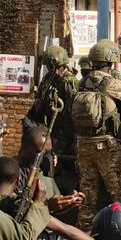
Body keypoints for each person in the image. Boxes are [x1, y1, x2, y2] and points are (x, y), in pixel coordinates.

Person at [72, 39, 121, 231]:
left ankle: (83, 236)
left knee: (88, 194)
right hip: (106, 146)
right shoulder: (109, 84)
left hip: (83, 144)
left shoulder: (82, 82)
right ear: (111, 60)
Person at [25, 45, 78, 177]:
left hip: (63, 132)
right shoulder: (49, 78)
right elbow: (39, 98)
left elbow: (73, 110)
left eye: (50, 65)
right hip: (47, 128)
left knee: (59, 166)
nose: (49, 68)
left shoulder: (69, 81)